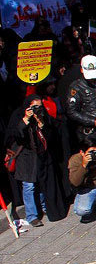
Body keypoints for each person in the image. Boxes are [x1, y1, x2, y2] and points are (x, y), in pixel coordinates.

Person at [5, 95, 68, 226]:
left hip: (41, 154)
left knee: (41, 183)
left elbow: (52, 135)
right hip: (25, 155)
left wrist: (42, 124)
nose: (37, 109)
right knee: (29, 186)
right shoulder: (18, 114)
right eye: (34, 107)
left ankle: (44, 207)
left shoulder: (42, 116)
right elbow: (14, 134)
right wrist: (26, 119)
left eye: (40, 106)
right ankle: (32, 215)